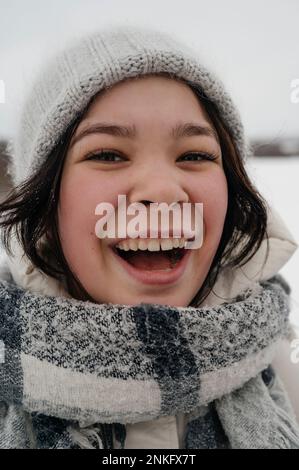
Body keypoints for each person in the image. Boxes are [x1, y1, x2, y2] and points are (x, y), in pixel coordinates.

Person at [0, 24, 298, 449]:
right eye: (107, 154)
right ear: (46, 204)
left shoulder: (286, 374)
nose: (162, 191)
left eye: (194, 155)